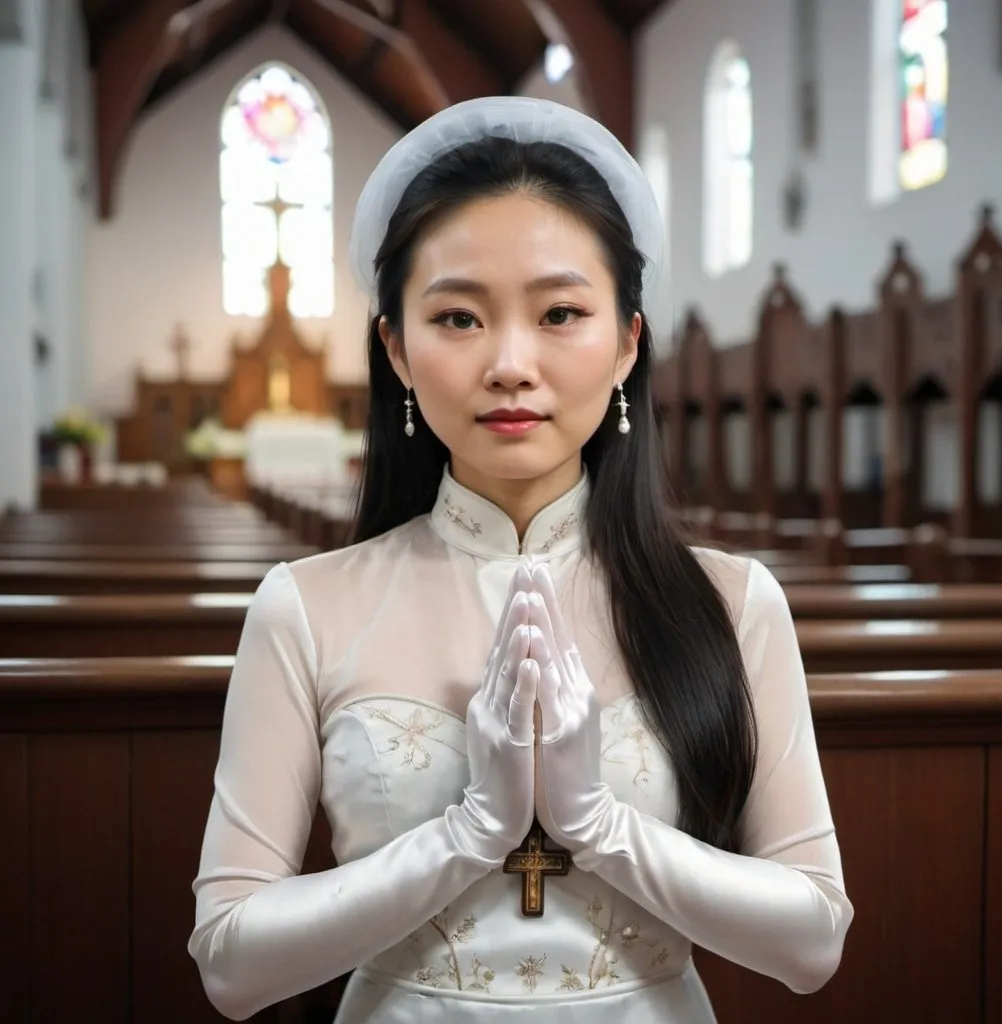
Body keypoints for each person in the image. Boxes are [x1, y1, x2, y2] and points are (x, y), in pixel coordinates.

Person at [188, 96, 853, 1023]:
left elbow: (815, 940)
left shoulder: (734, 602)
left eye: (561, 313)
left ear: (627, 342)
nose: (508, 362)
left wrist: (600, 826)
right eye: (458, 318)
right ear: (396, 348)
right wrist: (467, 835)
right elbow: (229, 963)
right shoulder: (306, 605)